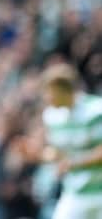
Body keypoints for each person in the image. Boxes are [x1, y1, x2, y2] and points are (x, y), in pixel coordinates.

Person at [40, 62, 102, 219]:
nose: (47, 97)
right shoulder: (52, 117)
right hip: (75, 193)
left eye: (49, 91)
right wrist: (36, 154)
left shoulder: (95, 111)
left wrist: (75, 163)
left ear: (63, 90)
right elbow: (60, 155)